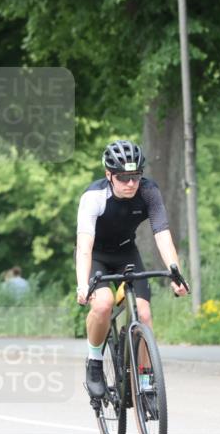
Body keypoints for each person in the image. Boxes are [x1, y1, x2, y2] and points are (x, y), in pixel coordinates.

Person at [75, 140, 188, 398]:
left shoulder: (149, 192)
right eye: (123, 178)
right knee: (103, 304)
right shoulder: (93, 197)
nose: (130, 184)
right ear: (109, 175)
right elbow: (84, 246)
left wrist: (176, 273)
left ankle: (146, 381)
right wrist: (83, 284)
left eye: (135, 177)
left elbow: (162, 234)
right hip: (96, 255)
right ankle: (94, 363)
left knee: (144, 315)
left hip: (127, 252)